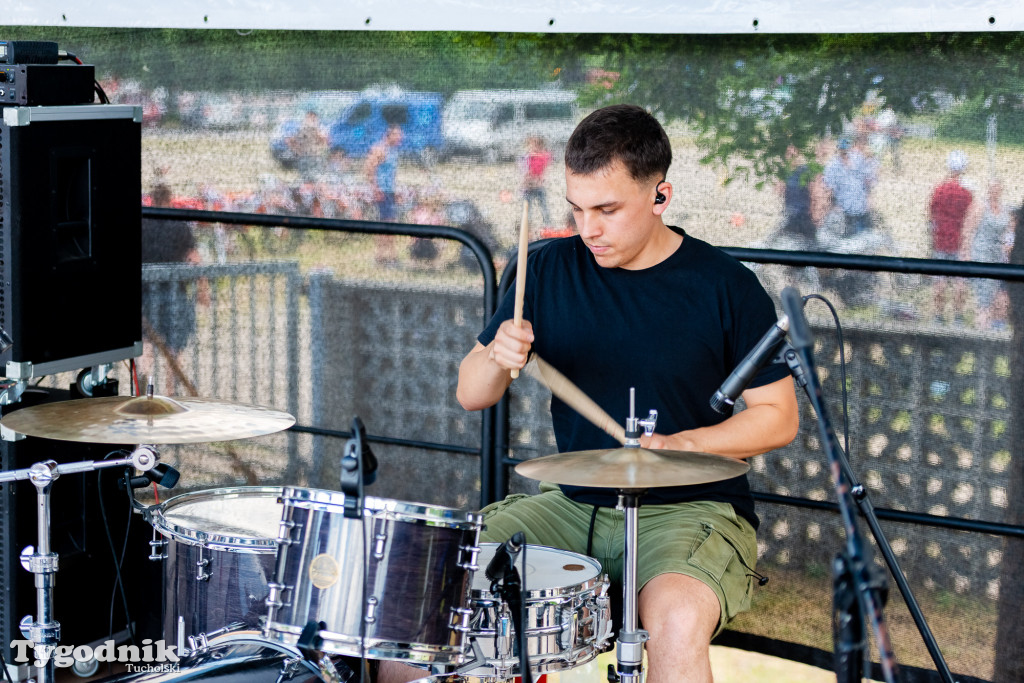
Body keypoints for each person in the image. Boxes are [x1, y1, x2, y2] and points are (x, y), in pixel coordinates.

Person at [455, 105, 799, 683]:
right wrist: (497, 355)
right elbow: (471, 393)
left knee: (676, 619)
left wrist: (682, 444)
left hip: (693, 509)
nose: (588, 229)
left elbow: (777, 417)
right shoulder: (542, 270)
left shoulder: (726, 287)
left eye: (607, 210)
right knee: (443, 578)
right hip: (572, 503)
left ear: (660, 196)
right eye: (577, 209)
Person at [141, 183, 205, 395]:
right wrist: (203, 288)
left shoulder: (142, 224)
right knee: (174, 347)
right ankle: (171, 392)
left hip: (146, 293)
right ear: (170, 199)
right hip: (175, 293)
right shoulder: (179, 225)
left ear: (151, 199)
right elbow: (194, 259)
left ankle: (142, 390)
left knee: (146, 343)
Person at [928, 150, 973, 324]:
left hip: (940, 241)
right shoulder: (966, 194)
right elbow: (969, 219)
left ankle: (938, 316)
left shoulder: (939, 190)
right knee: (959, 283)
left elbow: (931, 214)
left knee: (938, 282)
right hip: (959, 243)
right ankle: (958, 316)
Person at [963, 179, 1012, 330]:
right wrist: (966, 254)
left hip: (998, 256)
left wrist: (1008, 249)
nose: (994, 192)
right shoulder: (979, 207)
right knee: (984, 295)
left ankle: (994, 328)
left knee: (997, 295)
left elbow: (1009, 233)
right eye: (992, 189)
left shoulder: (1005, 210)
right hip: (981, 254)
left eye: (997, 189)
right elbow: (968, 230)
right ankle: (982, 330)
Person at [823, 136, 879, 235]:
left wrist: (869, 198)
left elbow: (868, 179)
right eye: (842, 147)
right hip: (845, 213)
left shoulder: (858, 159)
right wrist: (833, 207)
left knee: (866, 240)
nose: (844, 150)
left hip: (862, 209)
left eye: (847, 146)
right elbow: (829, 190)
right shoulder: (832, 166)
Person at [364, 124, 404, 264]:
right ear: (389, 135)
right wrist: (376, 189)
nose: (400, 137)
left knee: (392, 224)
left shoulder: (394, 151)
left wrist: (396, 191)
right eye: (397, 134)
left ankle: (391, 256)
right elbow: (369, 169)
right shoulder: (380, 149)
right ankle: (382, 256)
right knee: (385, 224)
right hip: (382, 192)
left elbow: (391, 173)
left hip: (390, 191)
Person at [521, 135, 552, 228]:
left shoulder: (542, 156)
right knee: (527, 208)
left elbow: (545, 160)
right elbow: (524, 170)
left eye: (533, 144)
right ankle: (527, 226)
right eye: (530, 145)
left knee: (543, 207)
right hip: (528, 186)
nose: (531, 147)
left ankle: (548, 225)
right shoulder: (528, 156)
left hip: (538, 185)